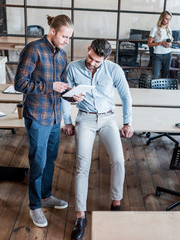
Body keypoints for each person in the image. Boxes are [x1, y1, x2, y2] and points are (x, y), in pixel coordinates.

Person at [15, 15, 84, 228]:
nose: (66, 40)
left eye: (69, 37)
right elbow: (20, 84)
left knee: (50, 159)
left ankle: (45, 196)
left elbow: (61, 87)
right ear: (52, 31)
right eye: (64, 36)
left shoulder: (62, 55)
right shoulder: (33, 49)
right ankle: (35, 205)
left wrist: (73, 96)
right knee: (38, 161)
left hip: (55, 117)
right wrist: (49, 87)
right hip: (37, 115)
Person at [62, 39, 133, 240]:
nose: (92, 63)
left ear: (106, 59)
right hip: (85, 118)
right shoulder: (73, 68)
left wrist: (127, 123)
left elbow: (126, 96)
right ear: (88, 50)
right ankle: (80, 216)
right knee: (82, 165)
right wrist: (67, 122)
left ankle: (116, 203)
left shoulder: (114, 69)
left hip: (109, 118)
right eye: (91, 58)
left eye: (97, 62)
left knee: (118, 160)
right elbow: (65, 96)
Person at [148, 11, 173, 79]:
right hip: (158, 55)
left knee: (165, 77)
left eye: (169, 19)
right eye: (166, 19)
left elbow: (170, 42)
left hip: (168, 55)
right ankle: (153, 90)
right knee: (155, 76)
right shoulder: (155, 28)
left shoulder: (169, 29)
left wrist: (169, 44)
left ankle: (163, 90)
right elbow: (149, 44)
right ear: (162, 18)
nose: (168, 21)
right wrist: (161, 43)